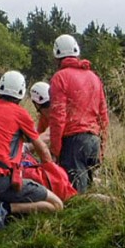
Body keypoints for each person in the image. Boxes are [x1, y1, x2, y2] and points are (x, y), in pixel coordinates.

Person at [0, 70, 63, 214]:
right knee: (56, 205)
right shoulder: (20, 114)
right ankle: (3, 209)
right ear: (21, 93)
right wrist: (53, 173)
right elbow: (42, 149)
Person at [48, 34, 109, 193]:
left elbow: (57, 116)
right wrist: (102, 147)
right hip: (94, 140)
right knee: (88, 191)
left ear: (57, 57)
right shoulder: (94, 78)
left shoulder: (60, 78)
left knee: (75, 195)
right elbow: (103, 116)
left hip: (73, 141)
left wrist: (55, 149)